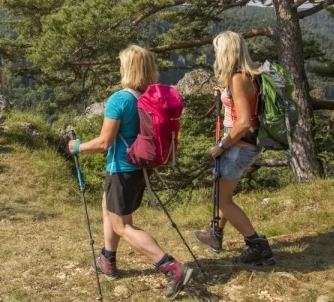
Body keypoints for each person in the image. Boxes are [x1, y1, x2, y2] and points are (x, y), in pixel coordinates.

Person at [68, 45, 193, 300]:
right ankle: (108, 260)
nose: (119, 67)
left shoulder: (120, 100)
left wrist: (78, 147)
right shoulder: (149, 97)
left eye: (122, 63)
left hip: (121, 171)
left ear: (129, 68)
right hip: (139, 169)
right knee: (108, 206)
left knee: (123, 225)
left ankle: (171, 267)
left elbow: (105, 142)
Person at [194, 31, 276, 265]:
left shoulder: (237, 79)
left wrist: (221, 145)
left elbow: (243, 122)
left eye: (216, 49)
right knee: (223, 195)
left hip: (238, 145)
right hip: (246, 144)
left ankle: (257, 245)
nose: (214, 53)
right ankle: (215, 235)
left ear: (226, 51)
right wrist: (223, 94)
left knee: (222, 199)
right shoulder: (250, 75)